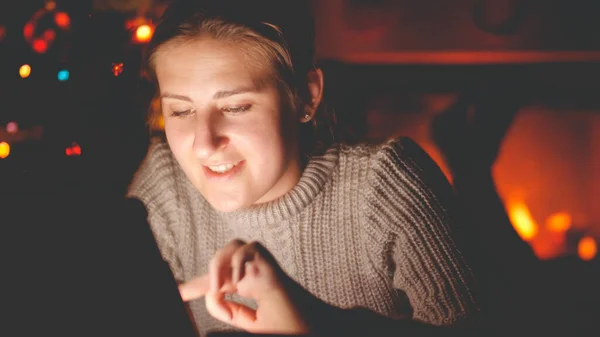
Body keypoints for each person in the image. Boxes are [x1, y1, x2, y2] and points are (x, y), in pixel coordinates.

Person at [128, 0, 480, 336]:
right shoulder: (166, 184)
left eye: (235, 107)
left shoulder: (383, 184)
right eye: (180, 111)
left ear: (306, 97)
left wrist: (312, 322)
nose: (204, 143)